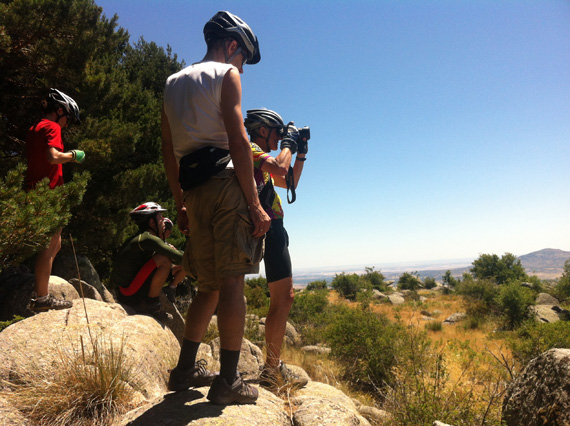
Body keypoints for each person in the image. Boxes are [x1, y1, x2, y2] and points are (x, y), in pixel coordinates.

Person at [161, 11, 269, 405]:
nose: (242, 67)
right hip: (226, 185)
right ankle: (228, 382)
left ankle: (185, 369)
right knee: (231, 282)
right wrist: (255, 204)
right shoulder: (227, 76)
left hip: (194, 190)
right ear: (232, 45)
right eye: (243, 57)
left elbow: (169, 153)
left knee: (206, 284)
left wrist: (181, 204)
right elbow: (239, 139)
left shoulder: (172, 84)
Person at [244, 108, 308, 389]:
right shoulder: (250, 147)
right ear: (262, 130)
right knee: (283, 298)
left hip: (276, 228)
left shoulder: (262, 157)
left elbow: (288, 179)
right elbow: (282, 168)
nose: (280, 137)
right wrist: (289, 144)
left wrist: (300, 152)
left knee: (284, 299)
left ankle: (271, 365)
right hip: (269, 229)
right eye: (277, 132)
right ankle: (270, 368)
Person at [26, 88, 85, 313]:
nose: (67, 124)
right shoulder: (52, 126)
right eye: (67, 118)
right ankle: (41, 298)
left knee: (55, 244)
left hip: (35, 190)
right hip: (49, 193)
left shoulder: (34, 128)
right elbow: (53, 157)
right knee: (48, 245)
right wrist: (73, 155)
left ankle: (40, 291)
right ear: (60, 110)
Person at [108, 202, 182, 322]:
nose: (164, 221)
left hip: (124, 291)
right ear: (152, 222)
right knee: (163, 259)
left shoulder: (142, 237)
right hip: (127, 293)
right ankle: (151, 305)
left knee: (165, 258)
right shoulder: (147, 238)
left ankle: (149, 302)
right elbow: (180, 258)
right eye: (160, 218)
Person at [161, 218, 187, 303]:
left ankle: (171, 288)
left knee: (186, 266)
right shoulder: (156, 242)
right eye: (169, 229)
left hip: (164, 271)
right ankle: (170, 288)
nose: (170, 232)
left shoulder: (166, 243)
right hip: (157, 272)